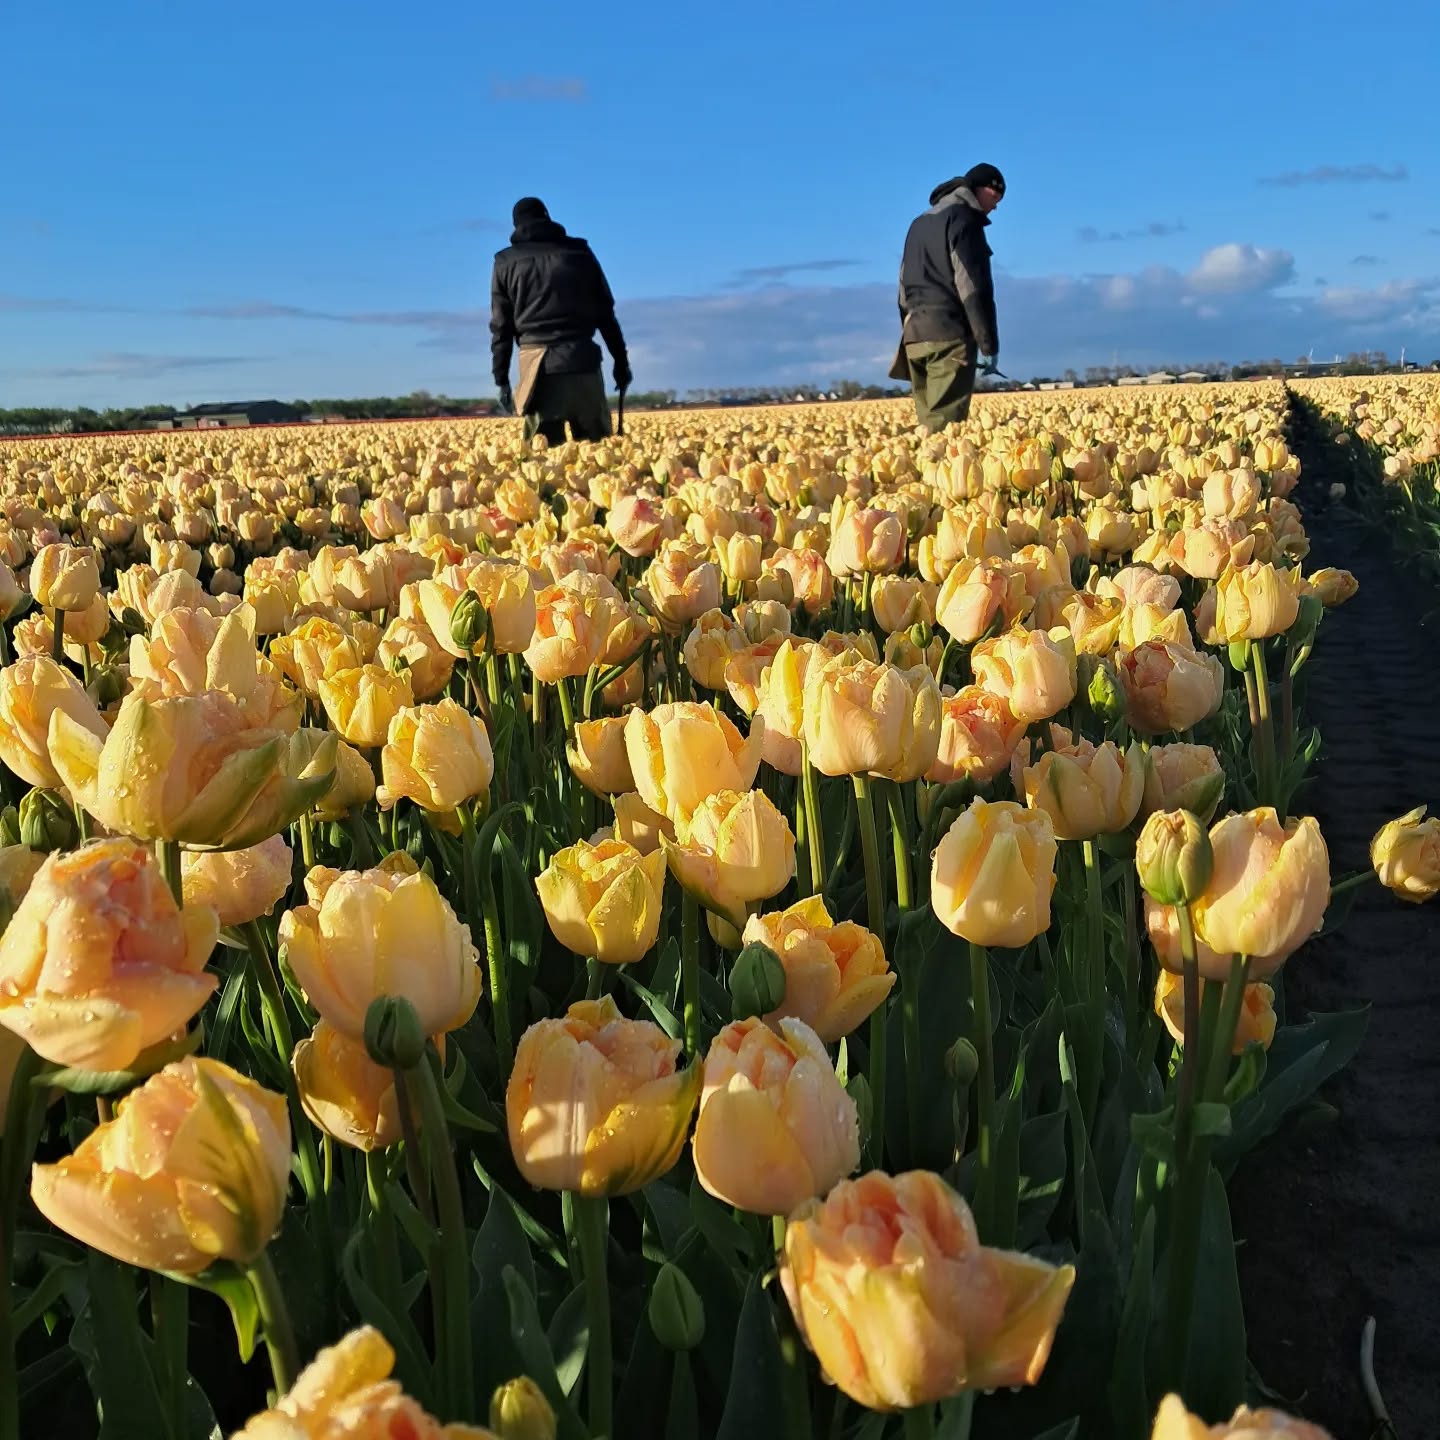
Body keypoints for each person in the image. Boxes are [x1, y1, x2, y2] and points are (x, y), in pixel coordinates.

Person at [490, 197, 632, 443]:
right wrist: (621, 362)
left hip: (538, 371)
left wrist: (501, 378)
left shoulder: (506, 263)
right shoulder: (579, 252)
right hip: (583, 363)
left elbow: (501, 328)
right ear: (547, 217)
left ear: (516, 225)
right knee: (598, 456)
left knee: (543, 462)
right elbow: (606, 314)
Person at [891, 163, 1005, 432]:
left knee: (927, 428)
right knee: (945, 434)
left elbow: (903, 286)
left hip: (915, 337)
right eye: (995, 197)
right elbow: (973, 287)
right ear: (980, 188)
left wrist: (910, 329)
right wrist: (988, 345)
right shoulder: (964, 221)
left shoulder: (918, 223)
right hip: (949, 337)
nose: (996, 207)